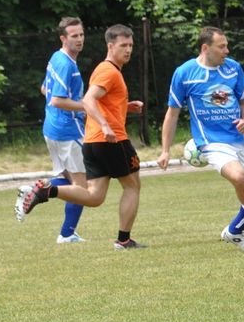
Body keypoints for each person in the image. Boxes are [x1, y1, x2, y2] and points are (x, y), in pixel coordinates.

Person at [157, 26, 244, 251]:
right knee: (239, 177)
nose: (227, 51)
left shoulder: (233, 68)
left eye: (227, 46)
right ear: (205, 48)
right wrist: (165, 150)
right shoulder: (184, 73)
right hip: (212, 141)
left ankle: (234, 231)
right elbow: (172, 113)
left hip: (242, 139)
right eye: (222, 47)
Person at [15, 24, 147, 249]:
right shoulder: (109, 71)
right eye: (123, 45)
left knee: (94, 196)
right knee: (132, 186)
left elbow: (101, 102)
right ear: (110, 46)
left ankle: (48, 191)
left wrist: (125, 107)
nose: (128, 50)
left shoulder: (106, 70)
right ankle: (124, 240)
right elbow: (88, 100)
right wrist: (105, 125)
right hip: (111, 139)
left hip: (93, 141)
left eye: (131, 45)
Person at [40, 16, 88, 244]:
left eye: (81, 34)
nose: (79, 39)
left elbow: (44, 89)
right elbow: (57, 100)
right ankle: (67, 234)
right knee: (82, 186)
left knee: (67, 179)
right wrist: (86, 106)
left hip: (52, 129)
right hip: (68, 131)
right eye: (74, 36)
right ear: (63, 38)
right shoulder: (66, 64)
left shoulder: (56, 57)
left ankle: (39, 190)